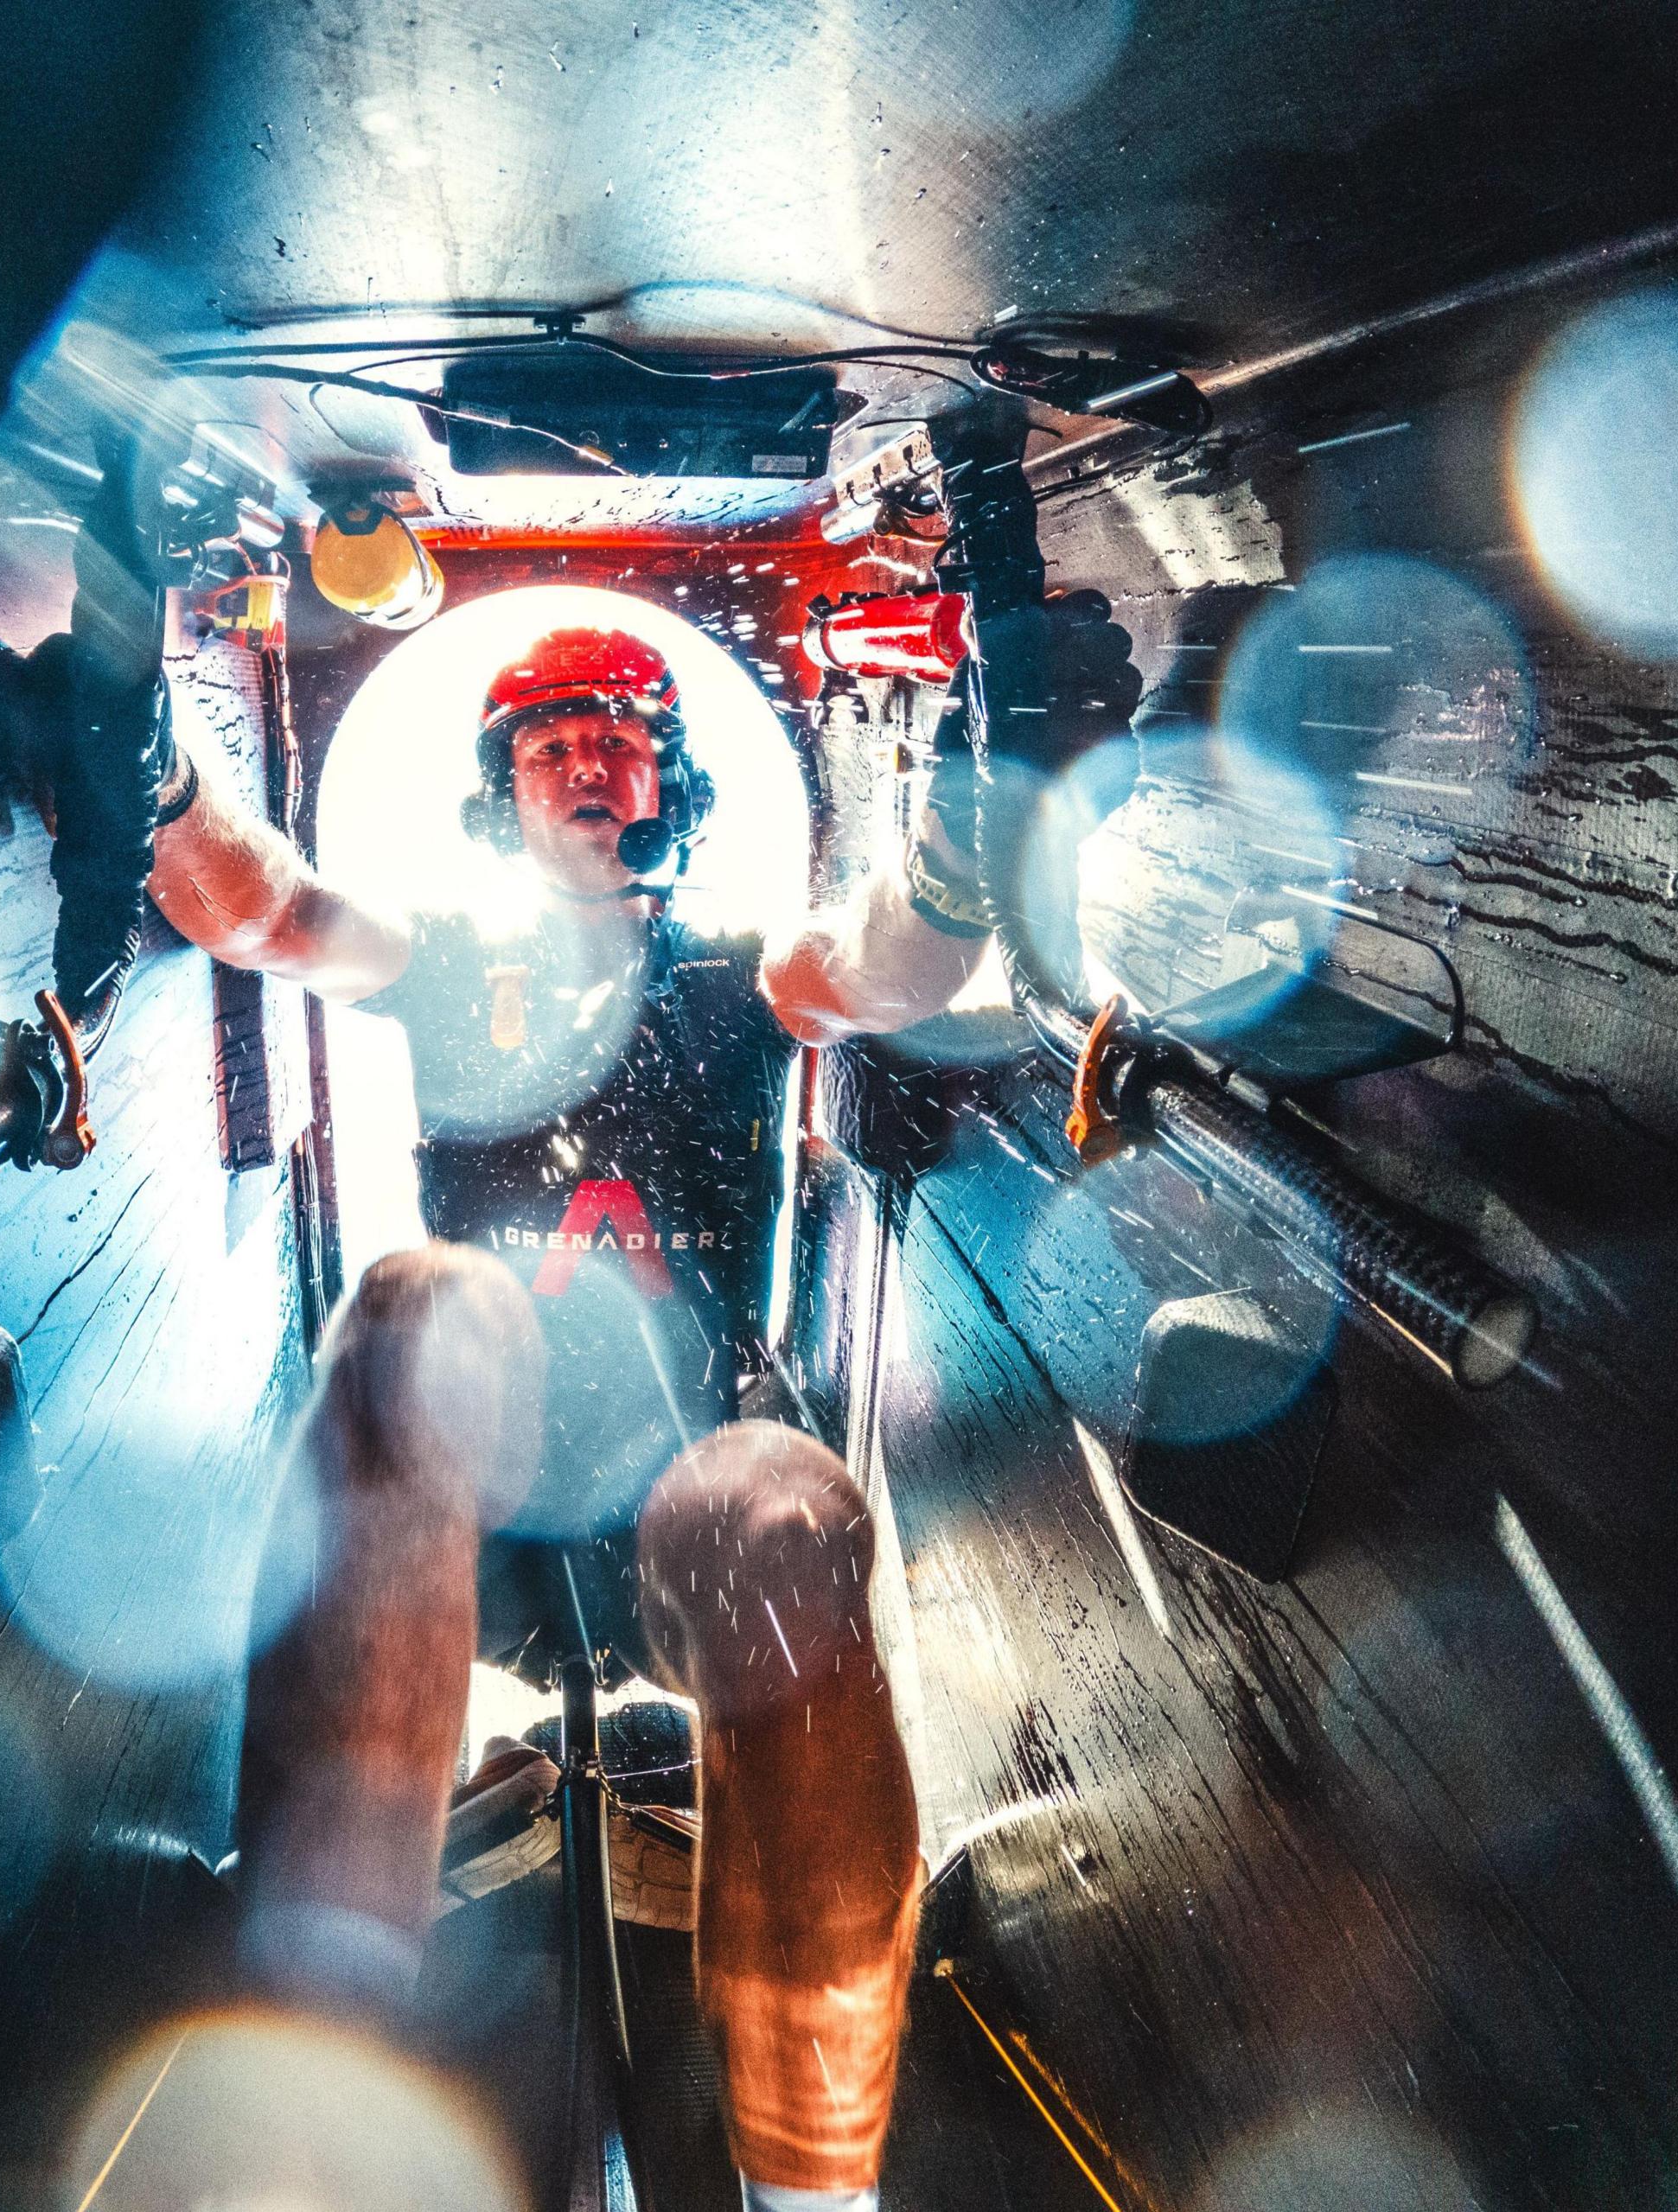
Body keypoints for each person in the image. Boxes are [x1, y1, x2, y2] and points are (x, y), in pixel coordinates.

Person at [145, 613, 1136, 2212]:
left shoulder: (733, 971)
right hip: (475, 1477)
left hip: (689, 1479)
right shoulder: (450, 966)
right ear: (504, 797)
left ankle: (814, 2191)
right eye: (551, 746)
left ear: (667, 781)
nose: (587, 764)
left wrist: (962, 852)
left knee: (787, 1505)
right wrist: (158, 768)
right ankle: (298, 2119)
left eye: (616, 740)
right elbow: (260, 913)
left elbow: (887, 964)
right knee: (418, 1303)